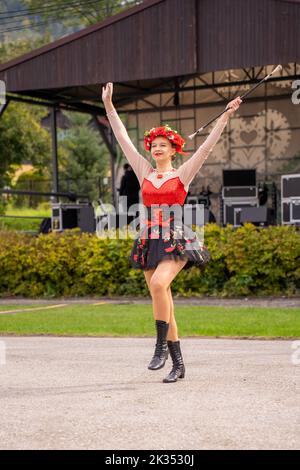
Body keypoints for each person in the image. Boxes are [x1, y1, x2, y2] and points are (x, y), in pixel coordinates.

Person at [102, 82, 242, 383]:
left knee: (159, 284)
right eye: (153, 145)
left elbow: (207, 147)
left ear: (173, 149)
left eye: (162, 145)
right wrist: (110, 107)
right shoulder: (144, 171)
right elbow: (123, 139)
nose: (156, 148)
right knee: (162, 295)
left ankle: (159, 347)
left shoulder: (183, 173)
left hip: (176, 236)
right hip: (150, 237)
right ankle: (178, 364)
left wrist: (225, 116)